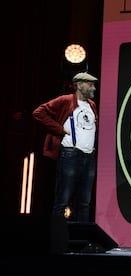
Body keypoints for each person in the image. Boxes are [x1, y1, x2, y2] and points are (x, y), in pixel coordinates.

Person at [32, 72, 99, 222]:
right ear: (79, 85)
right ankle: (57, 241)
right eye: (90, 84)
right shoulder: (66, 100)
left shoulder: (91, 105)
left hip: (89, 157)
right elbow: (39, 112)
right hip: (70, 155)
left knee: (84, 201)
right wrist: (60, 129)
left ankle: (81, 240)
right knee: (63, 199)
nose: (94, 88)